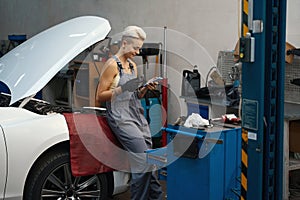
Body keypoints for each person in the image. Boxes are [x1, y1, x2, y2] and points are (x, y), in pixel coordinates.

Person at [96, 26, 163, 200]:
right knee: (142, 162)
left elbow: (135, 95)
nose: (138, 52)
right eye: (135, 48)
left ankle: (156, 197)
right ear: (124, 43)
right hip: (120, 116)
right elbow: (100, 96)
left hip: (137, 114)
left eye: (139, 48)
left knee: (151, 160)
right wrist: (122, 88)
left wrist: (143, 89)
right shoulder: (111, 65)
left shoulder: (133, 66)